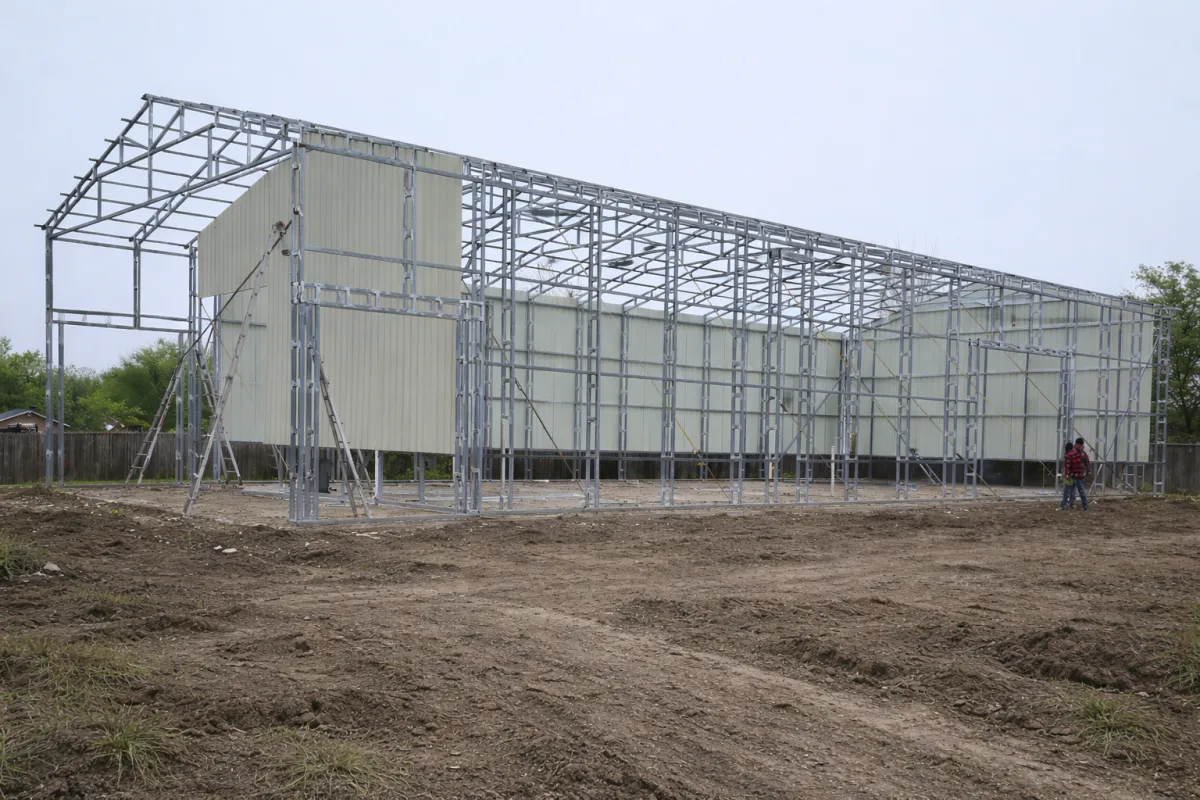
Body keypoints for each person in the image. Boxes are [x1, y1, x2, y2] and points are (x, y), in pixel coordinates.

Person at [1059, 437, 1091, 511]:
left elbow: (1087, 462)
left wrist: (1088, 470)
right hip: (1071, 476)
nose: (1081, 447)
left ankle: (1085, 507)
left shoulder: (1083, 453)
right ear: (1076, 444)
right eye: (1080, 445)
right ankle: (1063, 506)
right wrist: (1067, 475)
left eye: (1082, 445)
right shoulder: (1071, 454)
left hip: (1079, 476)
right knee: (1067, 492)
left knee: (1081, 492)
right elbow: (1067, 465)